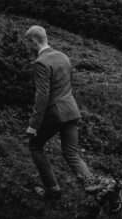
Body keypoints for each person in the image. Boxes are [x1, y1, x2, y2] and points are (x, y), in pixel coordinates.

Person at [23, 25, 94, 199]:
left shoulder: (40, 63)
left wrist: (33, 125)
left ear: (33, 41)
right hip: (71, 111)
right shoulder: (63, 57)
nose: (26, 46)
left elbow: (42, 96)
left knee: (35, 146)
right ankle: (98, 192)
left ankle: (53, 190)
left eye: (27, 42)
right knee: (72, 154)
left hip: (55, 114)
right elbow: (69, 85)